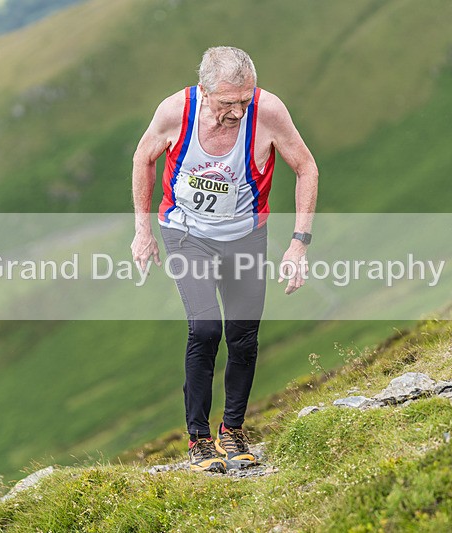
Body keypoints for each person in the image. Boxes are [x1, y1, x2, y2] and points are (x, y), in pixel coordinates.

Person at [131, 46, 318, 473]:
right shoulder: (175, 111)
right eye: (227, 102)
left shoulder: (268, 112)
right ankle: (198, 439)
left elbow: (307, 167)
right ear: (204, 90)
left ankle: (232, 430)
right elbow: (144, 157)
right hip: (186, 234)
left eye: (244, 100)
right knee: (205, 328)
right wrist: (143, 231)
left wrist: (298, 243)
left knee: (243, 335)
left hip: (245, 237)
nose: (236, 110)